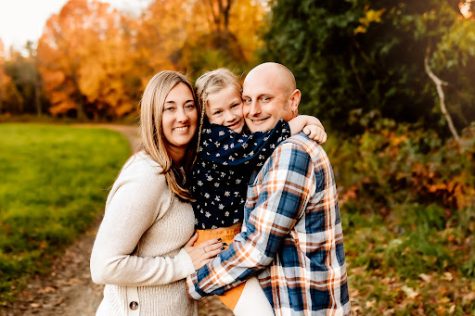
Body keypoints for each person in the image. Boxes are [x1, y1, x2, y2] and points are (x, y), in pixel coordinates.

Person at [187, 63, 351, 315]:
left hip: (302, 306)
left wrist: (195, 282)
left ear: (293, 100)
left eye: (265, 99)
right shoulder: (252, 147)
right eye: (248, 100)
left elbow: (258, 247)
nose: (251, 111)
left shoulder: (291, 152)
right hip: (287, 296)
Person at [90, 71, 224, 316]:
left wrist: (294, 125)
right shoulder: (147, 177)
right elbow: (103, 266)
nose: (182, 117)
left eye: (189, 106)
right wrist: (180, 265)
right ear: (153, 115)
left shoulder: (184, 170)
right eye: (169, 108)